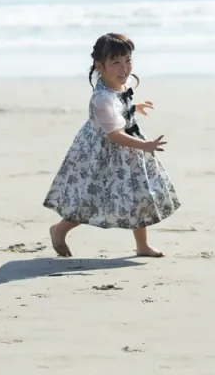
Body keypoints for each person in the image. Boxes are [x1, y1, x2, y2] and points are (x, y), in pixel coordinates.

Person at [43, 32, 181, 257]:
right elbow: (114, 134)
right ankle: (59, 229)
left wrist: (134, 107)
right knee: (92, 199)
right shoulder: (102, 98)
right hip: (104, 155)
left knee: (140, 195)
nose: (124, 68)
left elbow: (119, 108)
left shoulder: (117, 86)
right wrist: (144, 145)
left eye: (128, 60)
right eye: (116, 62)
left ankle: (142, 245)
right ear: (100, 65)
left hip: (128, 151)